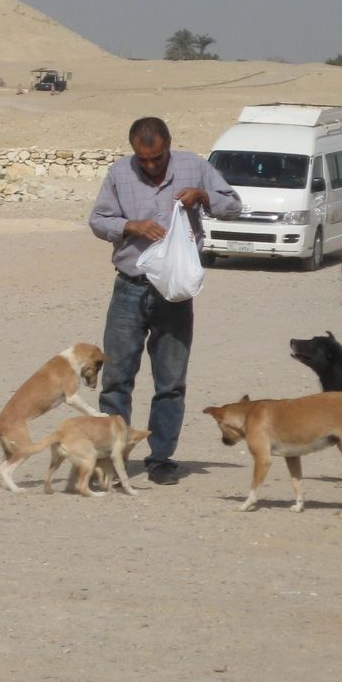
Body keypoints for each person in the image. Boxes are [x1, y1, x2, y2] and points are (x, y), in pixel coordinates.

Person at [88, 116, 242, 485]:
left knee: (170, 380)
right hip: (129, 288)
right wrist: (130, 225)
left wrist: (203, 197)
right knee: (116, 378)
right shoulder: (119, 174)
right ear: (134, 153)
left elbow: (234, 205)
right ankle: (112, 457)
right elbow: (97, 220)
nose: (152, 166)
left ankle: (160, 458)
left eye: (158, 158)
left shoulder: (195, 166)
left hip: (173, 292)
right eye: (144, 160)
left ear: (169, 145)